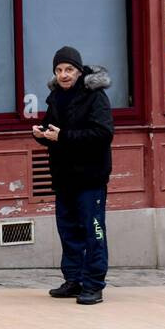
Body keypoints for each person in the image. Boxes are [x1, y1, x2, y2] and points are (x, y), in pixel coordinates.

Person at [32, 46, 114, 305]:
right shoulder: (56, 96)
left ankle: (94, 284)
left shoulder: (95, 96)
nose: (63, 75)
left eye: (68, 69)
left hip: (90, 178)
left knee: (94, 232)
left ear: (79, 71)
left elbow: (103, 134)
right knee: (68, 231)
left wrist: (62, 136)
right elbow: (53, 129)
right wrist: (41, 133)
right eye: (58, 70)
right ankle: (74, 280)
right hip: (64, 177)